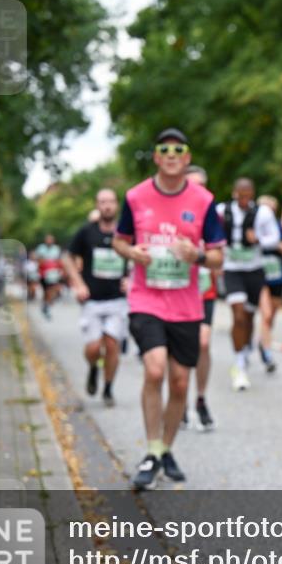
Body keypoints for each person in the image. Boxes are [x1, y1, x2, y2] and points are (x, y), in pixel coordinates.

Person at [113, 128, 225, 489]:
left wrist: (197, 255)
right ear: (156, 157)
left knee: (179, 383)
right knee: (155, 368)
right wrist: (132, 253)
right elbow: (119, 242)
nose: (172, 155)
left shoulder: (203, 200)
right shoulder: (136, 197)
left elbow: (218, 257)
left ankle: (164, 449)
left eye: (179, 150)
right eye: (165, 149)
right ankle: (151, 451)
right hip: (145, 299)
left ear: (187, 158)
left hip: (186, 305)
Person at [63, 188, 128, 407]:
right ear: (97, 205)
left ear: (116, 205)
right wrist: (78, 283)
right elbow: (67, 258)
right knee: (93, 348)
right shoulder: (86, 232)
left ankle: (108, 388)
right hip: (92, 300)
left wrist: (131, 279)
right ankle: (93, 367)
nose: (107, 206)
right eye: (103, 202)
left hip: (117, 299)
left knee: (112, 344)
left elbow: (139, 255)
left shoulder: (126, 232)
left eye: (111, 201)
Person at [217, 177, 282, 390]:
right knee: (238, 315)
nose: (244, 200)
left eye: (247, 197)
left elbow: (275, 238)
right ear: (234, 194)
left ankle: (245, 351)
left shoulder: (263, 213)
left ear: (252, 195)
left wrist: (258, 239)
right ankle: (239, 364)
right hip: (232, 269)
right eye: (240, 196)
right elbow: (209, 232)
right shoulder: (222, 210)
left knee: (249, 316)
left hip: (254, 270)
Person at [185, 164, 219, 431]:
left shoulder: (212, 215)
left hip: (205, 290)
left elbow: (220, 254)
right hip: (178, 292)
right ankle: (179, 399)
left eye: (202, 186)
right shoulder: (174, 212)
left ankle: (200, 399)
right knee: (180, 350)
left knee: (203, 343)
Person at [255, 194, 282, 372]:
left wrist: (275, 243)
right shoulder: (253, 227)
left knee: (271, 316)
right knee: (266, 314)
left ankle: (262, 341)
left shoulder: (279, 227)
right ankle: (267, 354)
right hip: (260, 276)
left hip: (277, 277)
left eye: (271, 210)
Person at [35, 234, 63, 319]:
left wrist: (59, 269)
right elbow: (38, 260)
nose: (49, 241)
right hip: (43, 273)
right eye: (48, 240)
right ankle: (45, 304)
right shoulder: (41, 248)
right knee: (46, 291)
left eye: (51, 240)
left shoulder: (56, 249)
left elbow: (59, 260)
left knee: (53, 289)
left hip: (54, 273)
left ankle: (47, 305)